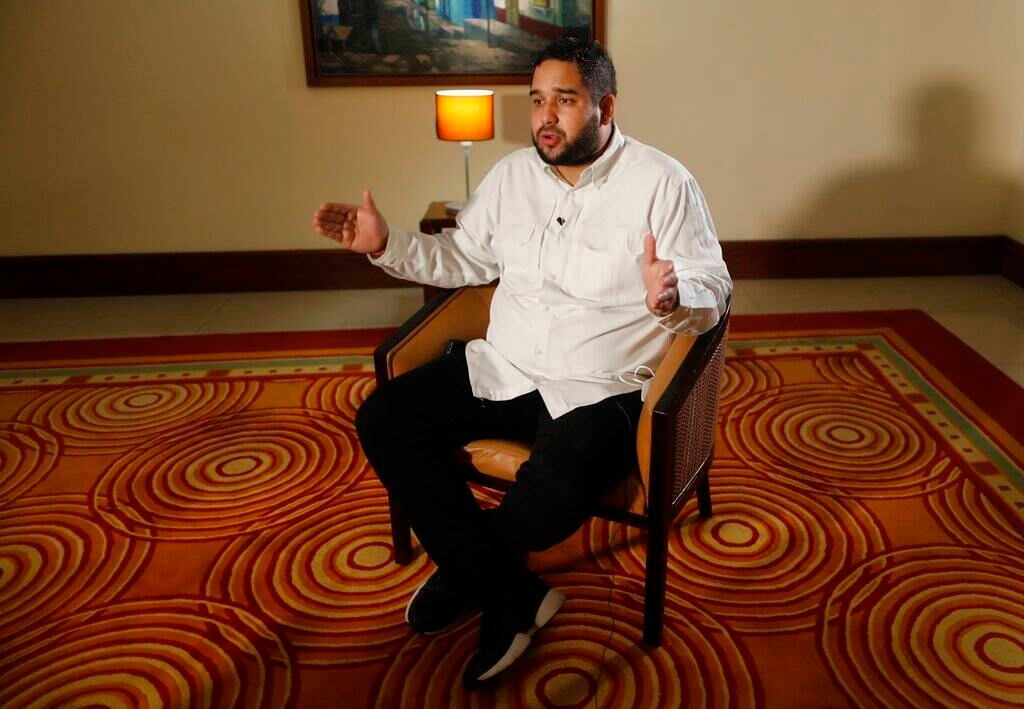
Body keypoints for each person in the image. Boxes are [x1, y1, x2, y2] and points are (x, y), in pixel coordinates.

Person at [312, 37, 731, 688]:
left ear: (606, 106)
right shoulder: (512, 177)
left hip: (601, 389)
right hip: (503, 367)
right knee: (385, 418)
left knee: (554, 492)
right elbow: (464, 258)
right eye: (537, 101)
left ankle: (469, 573)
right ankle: (510, 592)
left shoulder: (663, 182)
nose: (545, 118)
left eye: (564, 101)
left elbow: (713, 287)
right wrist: (386, 243)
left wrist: (674, 296)